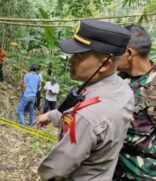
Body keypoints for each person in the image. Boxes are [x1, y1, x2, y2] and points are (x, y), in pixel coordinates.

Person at [34, 20, 134, 180]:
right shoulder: (123, 90)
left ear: (105, 64)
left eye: (79, 56)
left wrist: (42, 168)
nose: (71, 60)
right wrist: (52, 115)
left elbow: (55, 169)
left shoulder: (86, 116)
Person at [113, 24, 156, 180]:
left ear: (129, 53)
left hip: (142, 173)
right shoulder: (118, 79)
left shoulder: (153, 86)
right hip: (114, 168)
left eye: (116, 52)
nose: (112, 57)